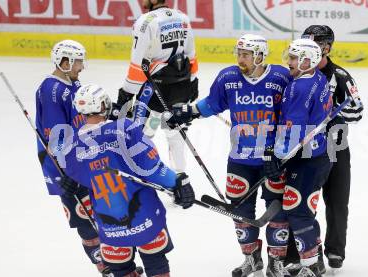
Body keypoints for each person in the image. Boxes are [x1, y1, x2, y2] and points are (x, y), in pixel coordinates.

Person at [165, 34, 291, 277]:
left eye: (246, 54)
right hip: (240, 159)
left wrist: (281, 151)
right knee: (239, 210)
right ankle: (251, 259)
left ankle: (276, 261)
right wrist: (187, 112)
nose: (240, 58)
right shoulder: (228, 77)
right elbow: (212, 104)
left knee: (277, 209)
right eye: (239, 53)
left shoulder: (280, 77)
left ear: (260, 55)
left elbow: (292, 112)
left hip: (273, 159)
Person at [61, 83, 195, 277]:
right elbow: (151, 169)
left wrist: (67, 181)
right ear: (104, 105)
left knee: (121, 270)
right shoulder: (124, 128)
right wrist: (177, 183)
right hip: (144, 218)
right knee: (156, 263)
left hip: (110, 227)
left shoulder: (72, 147)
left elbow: (76, 180)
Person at [35, 39, 109, 274]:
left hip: (81, 161)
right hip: (66, 168)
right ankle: (105, 266)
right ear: (65, 62)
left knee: (99, 212)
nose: (82, 67)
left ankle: (116, 262)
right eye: (78, 62)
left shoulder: (72, 84)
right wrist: (67, 173)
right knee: (83, 218)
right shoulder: (51, 91)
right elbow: (56, 139)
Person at [264, 38, 333, 277]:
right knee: (299, 209)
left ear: (308, 60)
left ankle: (312, 266)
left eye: (293, 58)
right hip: (315, 154)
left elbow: (292, 130)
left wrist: (274, 155)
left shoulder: (298, 87)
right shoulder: (318, 79)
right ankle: (314, 263)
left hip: (307, 158)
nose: (289, 62)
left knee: (298, 211)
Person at [301, 25, 364, 270]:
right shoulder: (297, 73)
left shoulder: (340, 76)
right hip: (305, 149)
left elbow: (357, 110)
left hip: (335, 148)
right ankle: (307, 248)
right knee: (304, 202)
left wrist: (332, 113)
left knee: (337, 202)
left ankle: (335, 251)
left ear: (326, 47)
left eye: (313, 45)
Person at [116, 0, 199, 173]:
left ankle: (145, 174)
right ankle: (181, 182)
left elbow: (137, 65)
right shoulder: (182, 18)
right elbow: (191, 56)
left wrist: (125, 94)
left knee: (144, 134)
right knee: (175, 136)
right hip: (181, 89)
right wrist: (193, 83)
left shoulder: (146, 21)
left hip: (155, 94)